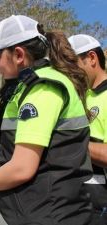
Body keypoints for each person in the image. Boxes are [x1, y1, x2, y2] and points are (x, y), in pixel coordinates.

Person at [0, 15, 93, 225]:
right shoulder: (26, 88)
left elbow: (21, 168)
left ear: (18, 55)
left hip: (53, 215)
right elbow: (18, 149)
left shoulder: (43, 90)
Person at [69, 34, 107, 225]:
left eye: (74, 66)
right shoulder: (83, 96)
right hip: (81, 195)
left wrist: (66, 143)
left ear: (92, 58)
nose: (70, 73)